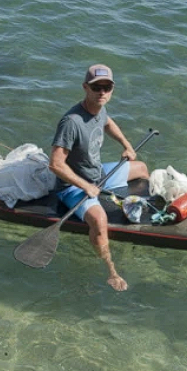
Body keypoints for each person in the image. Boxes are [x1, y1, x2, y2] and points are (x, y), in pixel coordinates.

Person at [49, 64, 149, 291]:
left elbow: (108, 123)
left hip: (99, 174)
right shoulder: (71, 122)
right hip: (73, 187)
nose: (102, 92)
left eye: (107, 87)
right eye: (96, 88)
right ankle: (111, 271)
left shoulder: (100, 108)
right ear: (86, 87)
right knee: (100, 221)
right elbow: (55, 164)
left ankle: (147, 214)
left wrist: (126, 145)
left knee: (141, 168)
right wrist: (85, 186)